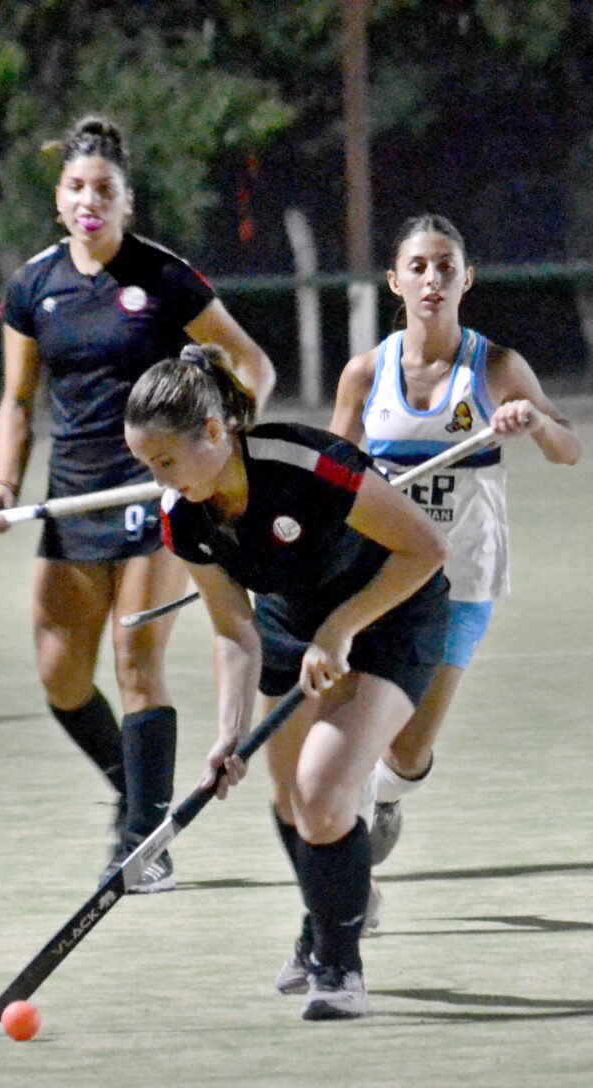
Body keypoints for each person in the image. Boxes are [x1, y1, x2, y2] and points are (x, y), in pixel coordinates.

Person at [0, 116, 274, 894]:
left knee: (137, 663)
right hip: (73, 499)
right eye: (76, 187)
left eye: (104, 189)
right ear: (58, 199)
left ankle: (145, 841)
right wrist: (2, 485)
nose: (89, 201)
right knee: (61, 678)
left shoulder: (165, 277)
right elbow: (17, 402)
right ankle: (134, 793)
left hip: (155, 495)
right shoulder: (33, 287)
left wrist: (219, 439)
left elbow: (251, 363)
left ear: (126, 201)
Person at [125, 345, 449, 1020]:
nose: (158, 479)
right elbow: (234, 628)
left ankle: (339, 966)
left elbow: (425, 548)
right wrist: (229, 731)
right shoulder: (183, 515)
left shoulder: (308, 465)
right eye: (147, 465)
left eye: (165, 461)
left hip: (389, 612)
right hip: (290, 618)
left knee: (322, 791)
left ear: (213, 432)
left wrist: (341, 628)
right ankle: (329, 911)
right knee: (288, 801)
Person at [328, 215, 581, 914]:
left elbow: (569, 449)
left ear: (467, 279)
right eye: (418, 266)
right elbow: (330, 479)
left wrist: (534, 422)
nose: (432, 279)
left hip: (462, 584)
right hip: (381, 580)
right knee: (353, 735)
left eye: (445, 266)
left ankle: (385, 796)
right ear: (395, 281)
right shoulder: (365, 375)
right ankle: (352, 891)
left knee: (407, 751)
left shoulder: (496, 367)